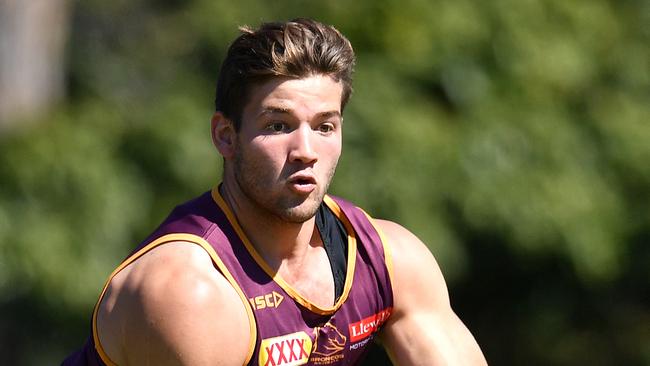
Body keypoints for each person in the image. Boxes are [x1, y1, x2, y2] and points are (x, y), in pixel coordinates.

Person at [63, 18, 487, 366]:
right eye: (278, 125)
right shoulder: (189, 292)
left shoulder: (388, 262)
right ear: (225, 137)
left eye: (324, 126)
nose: (306, 151)